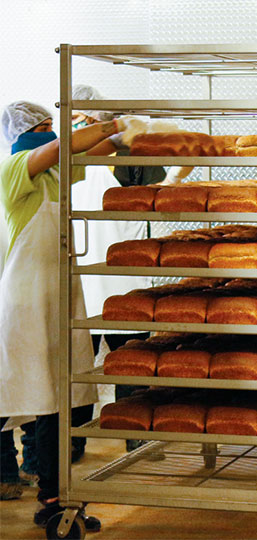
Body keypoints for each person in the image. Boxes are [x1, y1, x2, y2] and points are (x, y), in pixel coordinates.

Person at [0, 100, 134, 530]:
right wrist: (112, 123)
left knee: (56, 403)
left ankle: (55, 498)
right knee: (24, 395)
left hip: (58, 296)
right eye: (44, 125)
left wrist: (120, 136)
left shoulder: (56, 173)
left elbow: (88, 153)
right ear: (26, 131)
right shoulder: (16, 169)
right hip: (27, 300)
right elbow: (58, 148)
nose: (50, 131)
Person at [69, 84, 166, 458]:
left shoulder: (126, 150)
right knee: (84, 372)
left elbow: (158, 189)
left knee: (130, 365)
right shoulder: (64, 151)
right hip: (90, 276)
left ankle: (130, 437)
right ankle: (76, 442)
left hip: (121, 275)